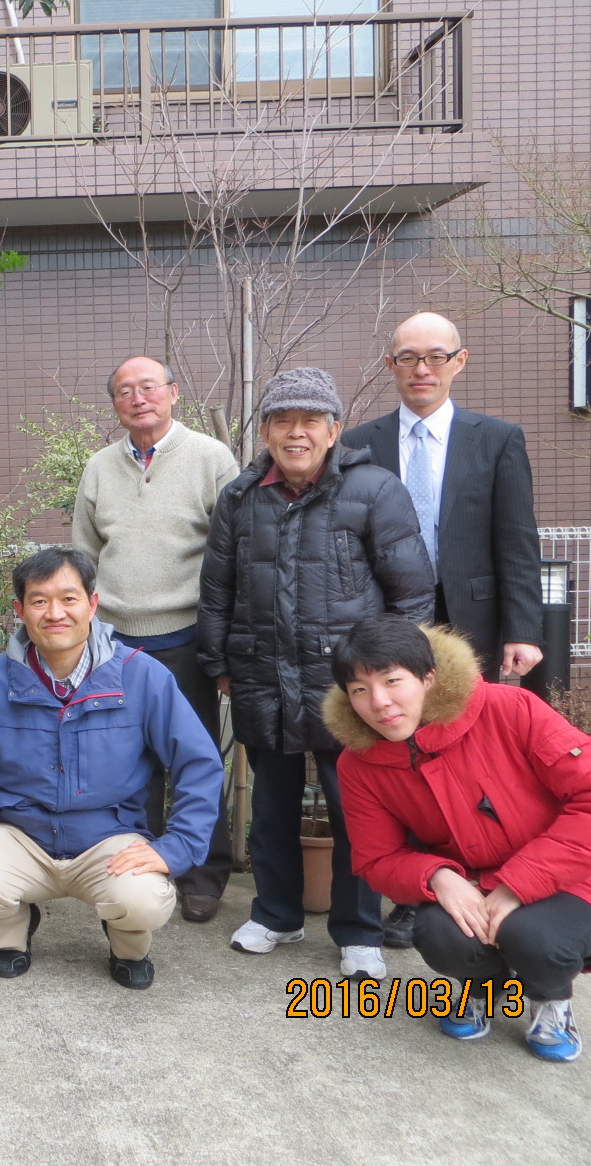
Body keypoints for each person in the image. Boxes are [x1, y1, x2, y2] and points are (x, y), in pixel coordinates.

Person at [198, 367, 435, 980]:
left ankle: (359, 932)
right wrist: (220, 660)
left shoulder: (374, 489)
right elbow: (217, 586)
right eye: (282, 421)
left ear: (333, 430)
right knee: (271, 805)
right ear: (267, 430)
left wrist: (398, 678)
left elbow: (411, 593)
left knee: (356, 807)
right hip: (261, 673)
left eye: (309, 421)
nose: (295, 433)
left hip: (348, 687)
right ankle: (276, 913)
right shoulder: (241, 495)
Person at [0, 548, 223, 989]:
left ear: (92, 605)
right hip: (21, 837)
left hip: (109, 839)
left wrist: (177, 846)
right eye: (39, 601)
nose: (54, 613)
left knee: (146, 899)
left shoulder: (142, 677)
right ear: (20, 611)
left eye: (69, 599)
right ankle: (12, 936)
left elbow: (199, 764)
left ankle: (126, 942)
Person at [323, 615, 591, 1062]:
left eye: (393, 681)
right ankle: (486, 989)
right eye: (361, 690)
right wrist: (438, 876)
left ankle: (550, 999)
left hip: (575, 876)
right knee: (439, 933)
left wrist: (519, 883)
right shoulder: (360, 763)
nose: (381, 702)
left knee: (534, 937)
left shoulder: (511, 708)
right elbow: (376, 858)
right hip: (470, 881)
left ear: (428, 678)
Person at [342, 311, 546, 949]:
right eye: (407, 358)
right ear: (390, 367)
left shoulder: (497, 438)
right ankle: (418, 892)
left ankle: (498, 880)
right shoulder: (359, 442)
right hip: (386, 620)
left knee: (468, 749)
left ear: (460, 361)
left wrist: (523, 627)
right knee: (403, 756)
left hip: (476, 620)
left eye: (435, 356)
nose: (421, 368)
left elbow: (517, 540)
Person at [71, 355, 240, 922]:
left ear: (172, 393)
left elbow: (234, 550)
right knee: (127, 761)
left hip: (188, 634)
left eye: (148, 387)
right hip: (117, 641)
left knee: (194, 759)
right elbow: (83, 557)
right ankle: (134, 868)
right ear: (115, 404)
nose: (137, 398)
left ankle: (202, 873)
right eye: (124, 390)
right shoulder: (98, 468)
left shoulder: (211, 458)